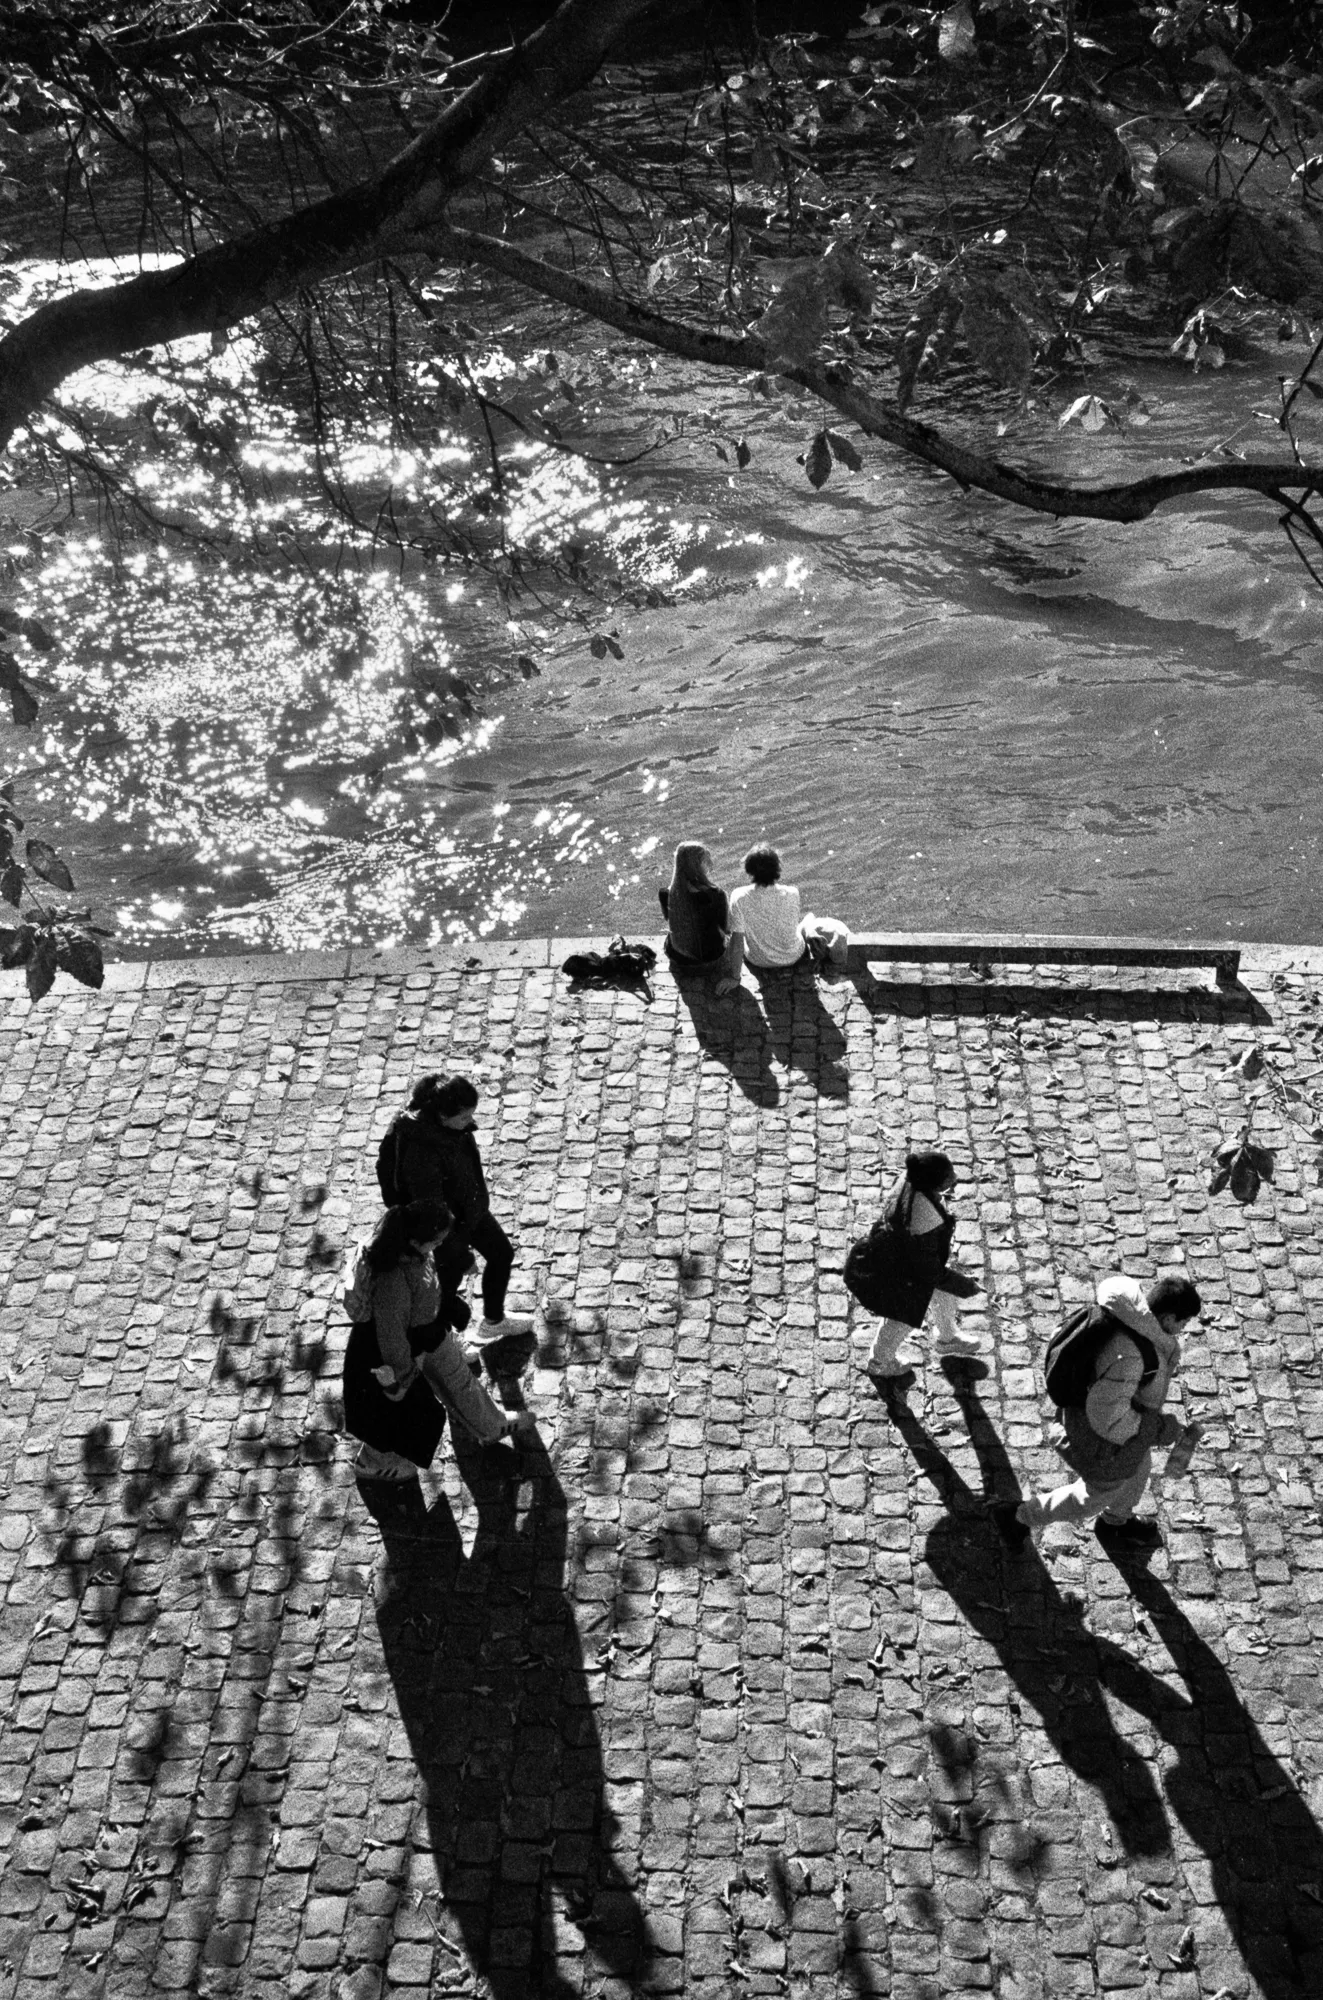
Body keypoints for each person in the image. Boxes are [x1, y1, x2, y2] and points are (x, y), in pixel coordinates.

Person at [992, 1272, 1202, 1551]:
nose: (1184, 1328)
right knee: (1092, 1497)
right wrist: (1157, 1429)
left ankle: (1117, 1520)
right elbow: (1109, 1418)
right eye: (1183, 1321)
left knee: (1139, 1467)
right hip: (1100, 1434)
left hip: (1116, 1426)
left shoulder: (1132, 1322)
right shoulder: (1133, 1358)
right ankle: (1018, 1516)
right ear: (1167, 1319)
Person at [342, 1199, 531, 1481]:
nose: (441, 1245)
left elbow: (427, 1289)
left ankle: (492, 1426)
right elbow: (392, 1337)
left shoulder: (414, 1251)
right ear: (418, 1241)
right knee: (398, 1413)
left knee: (458, 1377)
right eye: (437, 1240)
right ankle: (373, 1461)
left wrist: (448, 1307)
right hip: (396, 1355)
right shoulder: (391, 1280)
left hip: (426, 1333)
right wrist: (401, 1381)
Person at [378, 1075, 533, 1356]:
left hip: (470, 1210)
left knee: (501, 1254)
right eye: (464, 1117)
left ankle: (494, 1320)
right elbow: (433, 1214)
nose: (470, 1122)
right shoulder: (421, 1155)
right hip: (445, 1230)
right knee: (444, 1289)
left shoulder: (451, 1129)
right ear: (442, 1115)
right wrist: (462, 1256)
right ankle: (446, 1342)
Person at [848, 1149, 983, 1386]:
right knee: (901, 1317)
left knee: (943, 1292)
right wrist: (964, 1285)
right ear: (933, 1182)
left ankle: (947, 1337)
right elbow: (929, 1271)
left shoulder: (912, 1180)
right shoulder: (924, 1219)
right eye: (948, 1175)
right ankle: (880, 1362)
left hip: (902, 1261)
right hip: (902, 1274)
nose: (954, 1177)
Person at [727, 843, 850, 976]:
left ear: (749, 870)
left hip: (758, 960)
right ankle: (811, 933)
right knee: (809, 918)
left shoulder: (738, 896)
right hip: (793, 956)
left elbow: (737, 941)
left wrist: (734, 977)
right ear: (777, 869)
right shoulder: (792, 893)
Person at [658, 841, 739, 995]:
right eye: (706, 861)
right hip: (711, 961)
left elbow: (671, 919)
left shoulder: (666, 894)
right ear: (697, 865)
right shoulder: (717, 895)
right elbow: (726, 928)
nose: (709, 865)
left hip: (680, 961)